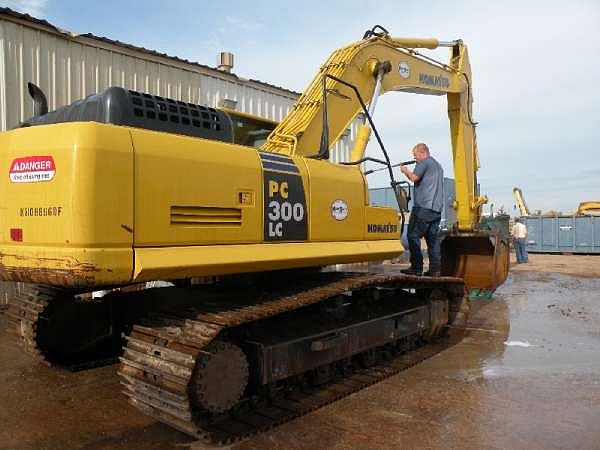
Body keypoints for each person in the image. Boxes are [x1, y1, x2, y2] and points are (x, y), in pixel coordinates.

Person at [399, 143, 444, 276]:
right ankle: (435, 270)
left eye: (415, 155)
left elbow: (414, 178)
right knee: (432, 240)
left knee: (412, 235)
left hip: (423, 208)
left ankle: (417, 268)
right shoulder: (438, 166)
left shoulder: (423, 162)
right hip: (436, 210)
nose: (415, 158)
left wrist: (405, 170)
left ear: (423, 152)